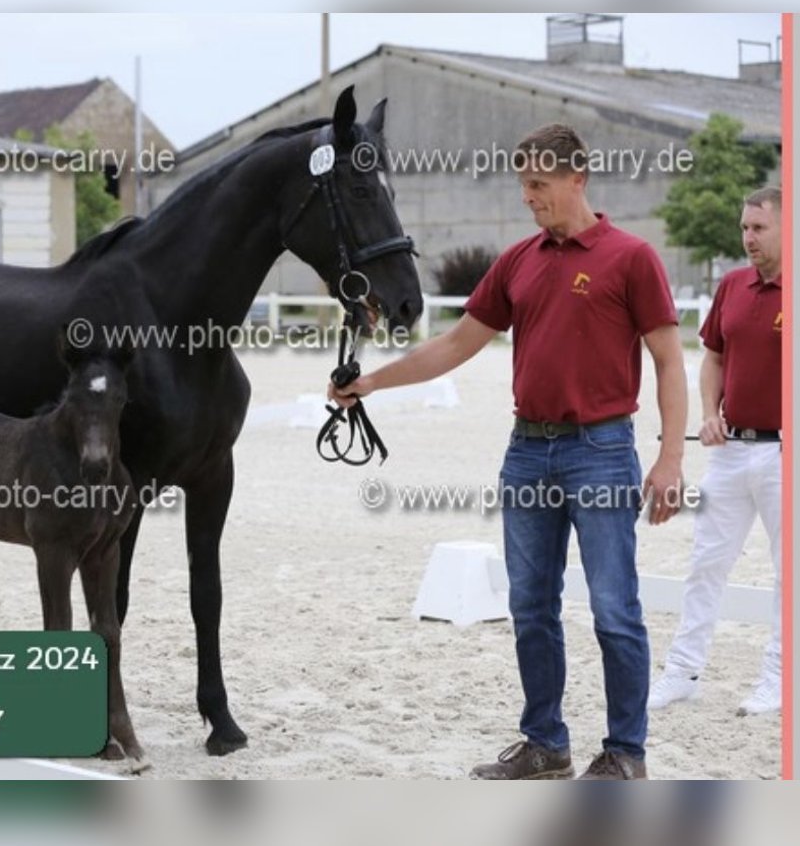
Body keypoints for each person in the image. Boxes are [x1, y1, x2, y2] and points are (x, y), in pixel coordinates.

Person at [331, 123, 687, 780]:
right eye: (523, 184)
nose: (528, 197)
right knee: (530, 605)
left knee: (614, 607)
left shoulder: (631, 258)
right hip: (527, 451)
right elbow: (456, 345)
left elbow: (669, 361)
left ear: (576, 179)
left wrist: (669, 459)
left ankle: (626, 753)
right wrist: (373, 382)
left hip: (603, 451)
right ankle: (546, 743)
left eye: (538, 185)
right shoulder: (518, 261)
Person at [647, 186, 783, 717]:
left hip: (782, 457)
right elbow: (713, 359)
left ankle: (777, 679)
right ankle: (683, 672)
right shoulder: (731, 285)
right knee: (706, 564)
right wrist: (709, 412)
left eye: (759, 228)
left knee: (785, 574)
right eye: (744, 227)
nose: (748, 237)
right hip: (729, 452)